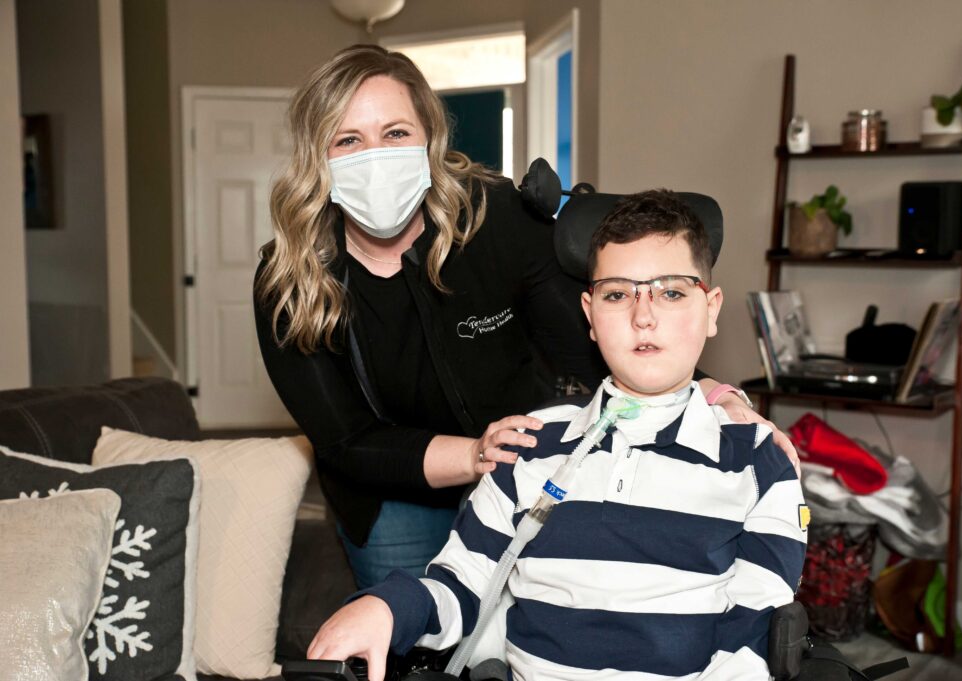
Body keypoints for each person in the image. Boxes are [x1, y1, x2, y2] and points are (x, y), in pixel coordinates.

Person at [254, 44, 797, 590]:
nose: (375, 155)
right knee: (413, 632)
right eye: (349, 139)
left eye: (395, 133)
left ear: (429, 140)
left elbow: (591, 340)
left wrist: (718, 398)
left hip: (526, 463)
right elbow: (346, 440)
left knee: (531, 622)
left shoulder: (495, 220)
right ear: (317, 157)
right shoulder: (288, 280)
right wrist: (472, 454)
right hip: (393, 491)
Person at [306, 190, 809, 680]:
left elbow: (752, 635)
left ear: (711, 308)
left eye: (672, 292)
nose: (643, 315)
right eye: (618, 294)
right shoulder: (531, 445)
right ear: (589, 316)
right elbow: (460, 585)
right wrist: (386, 607)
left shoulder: (759, 462)